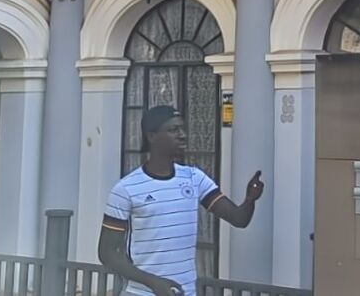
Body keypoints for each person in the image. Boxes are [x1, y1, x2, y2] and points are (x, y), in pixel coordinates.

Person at [98, 103, 264, 296]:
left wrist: (250, 200)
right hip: (141, 293)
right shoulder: (126, 189)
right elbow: (107, 254)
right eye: (173, 130)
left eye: (183, 129)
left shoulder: (194, 178)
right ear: (152, 136)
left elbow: (238, 219)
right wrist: (153, 282)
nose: (182, 135)